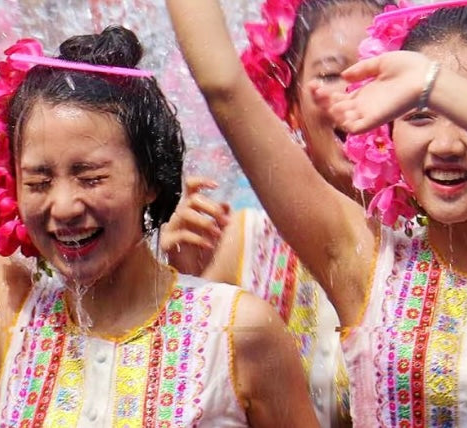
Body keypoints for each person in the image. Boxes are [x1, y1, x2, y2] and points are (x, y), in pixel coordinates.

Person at [0, 1, 316, 426]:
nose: (63, 207)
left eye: (90, 177)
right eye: (39, 182)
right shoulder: (9, 309)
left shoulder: (238, 331)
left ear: (149, 179)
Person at [168, 0, 467, 425]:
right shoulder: (367, 264)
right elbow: (223, 86)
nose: (446, 145)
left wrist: (431, 82)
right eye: (418, 114)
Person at [161, 0, 393, 425]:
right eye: (330, 74)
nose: (354, 94)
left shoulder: (445, 240)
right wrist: (171, 285)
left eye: (375, 71)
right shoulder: (238, 244)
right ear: (289, 105)